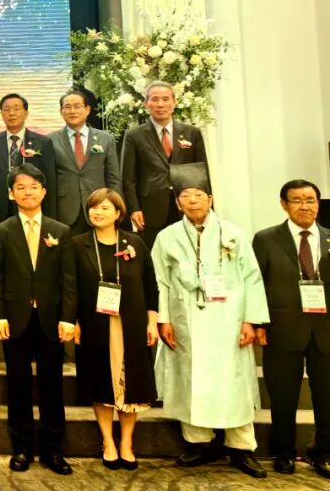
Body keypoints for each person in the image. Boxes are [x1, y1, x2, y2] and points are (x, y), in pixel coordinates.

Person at [152, 163, 269, 479]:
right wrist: (164, 320)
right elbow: (160, 281)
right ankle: (199, 443)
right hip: (185, 320)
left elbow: (252, 278)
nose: (193, 201)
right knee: (190, 379)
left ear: (211, 199)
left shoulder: (233, 234)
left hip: (229, 320)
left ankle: (241, 447)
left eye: (199, 195)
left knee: (234, 382)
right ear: (178, 203)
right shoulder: (167, 237)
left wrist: (251, 320)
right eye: (186, 196)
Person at [0, 163, 76, 475]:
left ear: (44, 191)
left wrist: (68, 318)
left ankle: (53, 450)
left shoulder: (60, 231)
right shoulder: (1, 231)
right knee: (18, 384)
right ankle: (22, 448)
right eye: (21, 188)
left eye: (33, 187)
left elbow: (68, 280)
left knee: (52, 385)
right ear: (11, 194)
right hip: (15, 319)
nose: (28, 192)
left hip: (51, 319)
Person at [71, 188, 157, 471]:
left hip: (131, 324)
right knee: (99, 380)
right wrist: (74, 321)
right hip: (94, 324)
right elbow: (71, 288)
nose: (98, 212)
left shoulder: (135, 243)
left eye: (105, 208)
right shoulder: (78, 244)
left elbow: (151, 285)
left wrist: (152, 320)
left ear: (118, 213)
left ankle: (127, 443)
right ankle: (108, 441)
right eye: (94, 207)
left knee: (131, 384)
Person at [253, 179, 330, 477]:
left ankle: (323, 452)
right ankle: (283, 452)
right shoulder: (266, 239)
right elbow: (255, 284)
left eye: (310, 200)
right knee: (283, 396)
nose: (304, 206)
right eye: (296, 200)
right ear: (284, 204)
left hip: (325, 330)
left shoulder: (328, 237)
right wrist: (258, 322)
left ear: (318, 204)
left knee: (326, 396)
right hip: (281, 328)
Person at [121, 81, 209, 248]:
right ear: (146, 104)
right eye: (155, 99)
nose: (160, 104)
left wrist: (206, 206)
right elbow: (128, 178)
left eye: (165, 99)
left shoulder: (192, 133)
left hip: (186, 205)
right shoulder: (134, 135)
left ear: (174, 102)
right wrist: (134, 209)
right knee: (155, 253)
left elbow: (203, 173)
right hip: (150, 208)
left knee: (190, 250)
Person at [49, 90, 121, 234]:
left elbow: (113, 177)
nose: (72, 111)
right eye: (67, 107)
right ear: (61, 111)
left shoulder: (105, 139)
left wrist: (115, 206)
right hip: (65, 209)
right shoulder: (50, 140)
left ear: (87, 109)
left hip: (99, 206)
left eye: (77, 106)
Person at [0, 93, 57, 223]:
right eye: (6, 109)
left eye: (16, 108)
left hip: (31, 205)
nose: (11, 113)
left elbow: (50, 181)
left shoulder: (43, 142)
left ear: (26, 113)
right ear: (1, 114)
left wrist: (50, 216)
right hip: (0, 208)